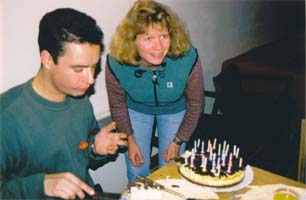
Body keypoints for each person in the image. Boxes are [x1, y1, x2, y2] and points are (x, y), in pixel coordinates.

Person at [0, 8, 127, 199]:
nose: (91, 79)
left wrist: (95, 148)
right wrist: (41, 185)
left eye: (93, 67)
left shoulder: (79, 99)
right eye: (79, 69)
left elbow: (80, 153)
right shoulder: (7, 117)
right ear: (48, 60)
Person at [105, 0, 204, 182]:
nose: (158, 47)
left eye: (164, 36)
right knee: (136, 171)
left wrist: (178, 141)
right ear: (132, 40)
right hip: (137, 110)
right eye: (148, 38)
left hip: (175, 109)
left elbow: (196, 104)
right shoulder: (116, 62)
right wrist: (130, 140)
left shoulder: (188, 57)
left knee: (171, 171)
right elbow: (117, 104)